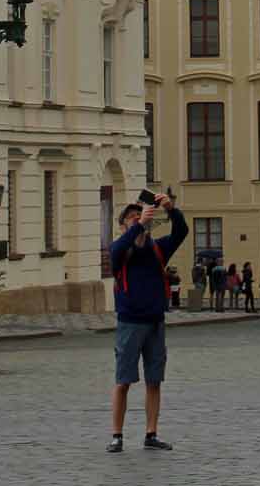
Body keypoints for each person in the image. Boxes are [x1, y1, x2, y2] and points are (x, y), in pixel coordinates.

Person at [105, 193, 186, 453]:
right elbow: (119, 248)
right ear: (123, 226)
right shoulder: (120, 250)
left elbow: (181, 232)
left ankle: (151, 433)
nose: (138, 220)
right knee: (123, 380)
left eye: (140, 216)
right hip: (130, 323)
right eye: (131, 218)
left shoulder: (158, 248)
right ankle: (117, 435)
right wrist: (138, 224)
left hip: (155, 321)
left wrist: (170, 210)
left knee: (154, 380)